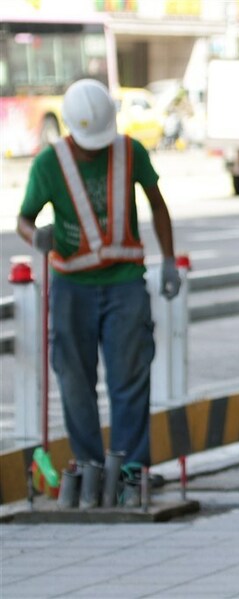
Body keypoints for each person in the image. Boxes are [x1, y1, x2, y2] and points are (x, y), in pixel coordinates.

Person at [16, 79, 181, 471]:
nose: (95, 150)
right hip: (71, 286)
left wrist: (169, 259)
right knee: (74, 382)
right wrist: (35, 236)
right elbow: (24, 219)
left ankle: (129, 471)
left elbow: (158, 205)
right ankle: (90, 469)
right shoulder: (49, 163)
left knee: (130, 379)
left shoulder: (130, 151)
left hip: (125, 283)